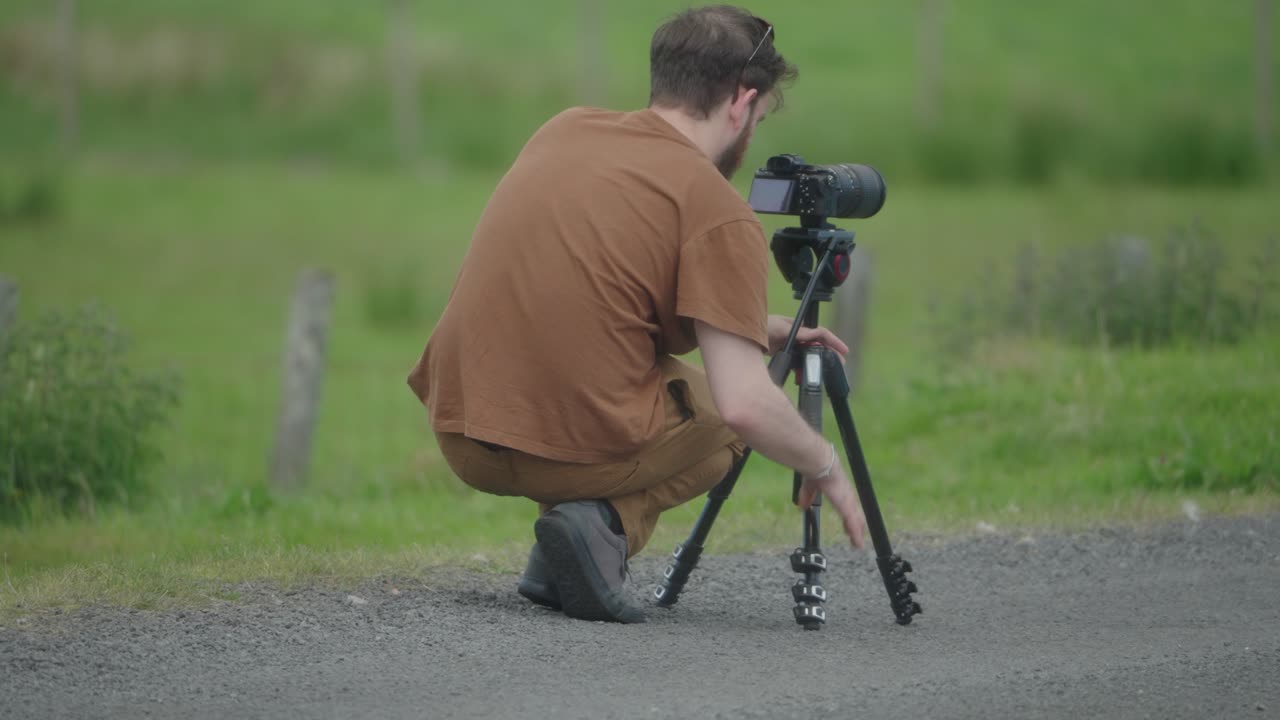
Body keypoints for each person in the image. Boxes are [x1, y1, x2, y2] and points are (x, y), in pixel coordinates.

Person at [407, 4, 866, 624]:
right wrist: (825, 465)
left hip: (461, 433)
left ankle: (570, 547)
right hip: (562, 456)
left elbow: (597, 290)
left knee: (670, 380)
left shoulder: (563, 129)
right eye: (757, 120)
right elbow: (745, 406)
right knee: (739, 416)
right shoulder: (715, 205)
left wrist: (753, 326)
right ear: (741, 102)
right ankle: (602, 527)